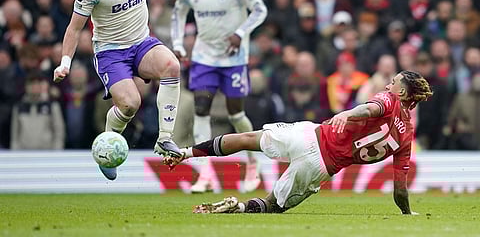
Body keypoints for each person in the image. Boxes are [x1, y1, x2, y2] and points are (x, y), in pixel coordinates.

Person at [164, 71, 433, 214]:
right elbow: (400, 190)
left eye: (393, 82)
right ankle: (239, 207)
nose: (388, 86)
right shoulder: (406, 137)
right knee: (272, 206)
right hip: (320, 166)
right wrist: (407, 214)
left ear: (402, 92)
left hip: (309, 135)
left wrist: (347, 113)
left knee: (247, 139)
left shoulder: (389, 100)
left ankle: (185, 152)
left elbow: (369, 109)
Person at [53, 0, 182, 181]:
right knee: (130, 103)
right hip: (111, 53)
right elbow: (73, 28)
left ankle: (164, 139)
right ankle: (107, 147)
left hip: (141, 42)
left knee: (172, 66)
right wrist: (65, 63)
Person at [170, 0, 268, 193]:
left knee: (236, 114)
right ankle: (205, 174)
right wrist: (179, 44)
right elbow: (178, 14)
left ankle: (253, 163)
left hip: (234, 59)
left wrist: (240, 33)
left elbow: (260, 10)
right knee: (201, 110)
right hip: (204, 58)